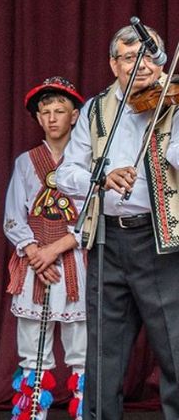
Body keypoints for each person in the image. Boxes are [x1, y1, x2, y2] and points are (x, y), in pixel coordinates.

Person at [57, 24, 179, 420]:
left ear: (161, 62)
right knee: (102, 357)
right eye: (128, 56)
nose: (140, 64)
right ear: (114, 64)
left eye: (149, 55)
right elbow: (65, 173)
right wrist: (103, 175)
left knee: (174, 350)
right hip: (108, 240)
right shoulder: (95, 109)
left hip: (159, 242)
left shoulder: (174, 102)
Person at [4, 77, 88, 420]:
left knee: (80, 349)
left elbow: (92, 215)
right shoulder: (27, 162)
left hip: (73, 266)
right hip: (34, 266)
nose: (52, 118)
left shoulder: (88, 163)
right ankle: (32, 414)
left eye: (60, 111)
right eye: (46, 112)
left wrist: (56, 249)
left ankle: (83, 412)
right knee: (32, 351)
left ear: (75, 116)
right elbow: (13, 216)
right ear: (39, 119)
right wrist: (35, 253)